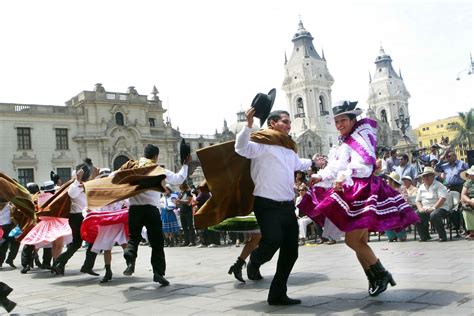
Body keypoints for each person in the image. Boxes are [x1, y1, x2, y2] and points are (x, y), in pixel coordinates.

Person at [305, 100, 418, 297]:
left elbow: (364, 165)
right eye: (337, 121)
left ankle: (381, 273)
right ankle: (373, 276)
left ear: (352, 120)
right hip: (352, 190)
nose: (339, 124)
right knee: (360, 240)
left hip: (361, 191)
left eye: (343, 120)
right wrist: (321, 176)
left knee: (353, 240)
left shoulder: (360, 137)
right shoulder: (345, 141)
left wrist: (342, 178)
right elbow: (335, 166)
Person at [234, 108, 314, 306]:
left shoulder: (288, 147)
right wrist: (248, 125)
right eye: (285, 121)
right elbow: (241, 148)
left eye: (289, 122)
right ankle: (254, 260)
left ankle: (277, 294)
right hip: (266, 204)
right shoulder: (261, 143)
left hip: (287, 205)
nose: (288, 125)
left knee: (291, 251)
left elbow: (298, 163)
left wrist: (314, 161)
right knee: (273, 240)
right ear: (272, 124)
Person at [122, 144, 189, 286]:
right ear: (155, 156)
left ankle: (130, 261)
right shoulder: (157, 169)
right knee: (157, 243)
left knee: (133, 238)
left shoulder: (132, 168)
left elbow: (113, 179)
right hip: (151, 210)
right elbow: (179, 179)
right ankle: (158, 273)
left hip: (134, 209)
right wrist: (185, 165)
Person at [52, 163, 91, 275]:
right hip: (78, 217)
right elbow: (72, 194)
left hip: (80, 216)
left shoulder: (83, 185)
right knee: (91, 240)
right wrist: (78, 180)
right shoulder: (76, 185)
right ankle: (87, 265)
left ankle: (60, 263)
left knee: (77, 243)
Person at [415, 166, 449, 242]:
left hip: (440, 207)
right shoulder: (421, 187)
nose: (426, 177)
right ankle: (424, 236)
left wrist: (433, 208)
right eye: (424, 176)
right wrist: (420, 208)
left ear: (433, 176)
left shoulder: (439, 185)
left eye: (428, 175)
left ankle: (442, 236)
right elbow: (417, 201)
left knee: (434, 215)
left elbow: (442, 198)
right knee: (416, 214)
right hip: (425, 208)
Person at [384, 172, 408, 242]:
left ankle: (401, 235)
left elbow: (404, 199)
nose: (387, 181)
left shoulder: (402, 188)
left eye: (389, 179)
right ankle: (391, 236)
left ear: (393, 181)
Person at [0, 202, 20, 269]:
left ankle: (0, 262)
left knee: (3, 245)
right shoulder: (10, 205)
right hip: (9, 227)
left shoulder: (10, 205)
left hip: (2, 228)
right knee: (15, 243)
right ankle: (10, 259)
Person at [460, 166, 474, 240]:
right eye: (471, 174)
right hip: (470, 201)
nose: (471, 176)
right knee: (466, 210)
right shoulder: (468, 182)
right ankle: (472, 232)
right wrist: (469, 201)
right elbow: (463, 194)